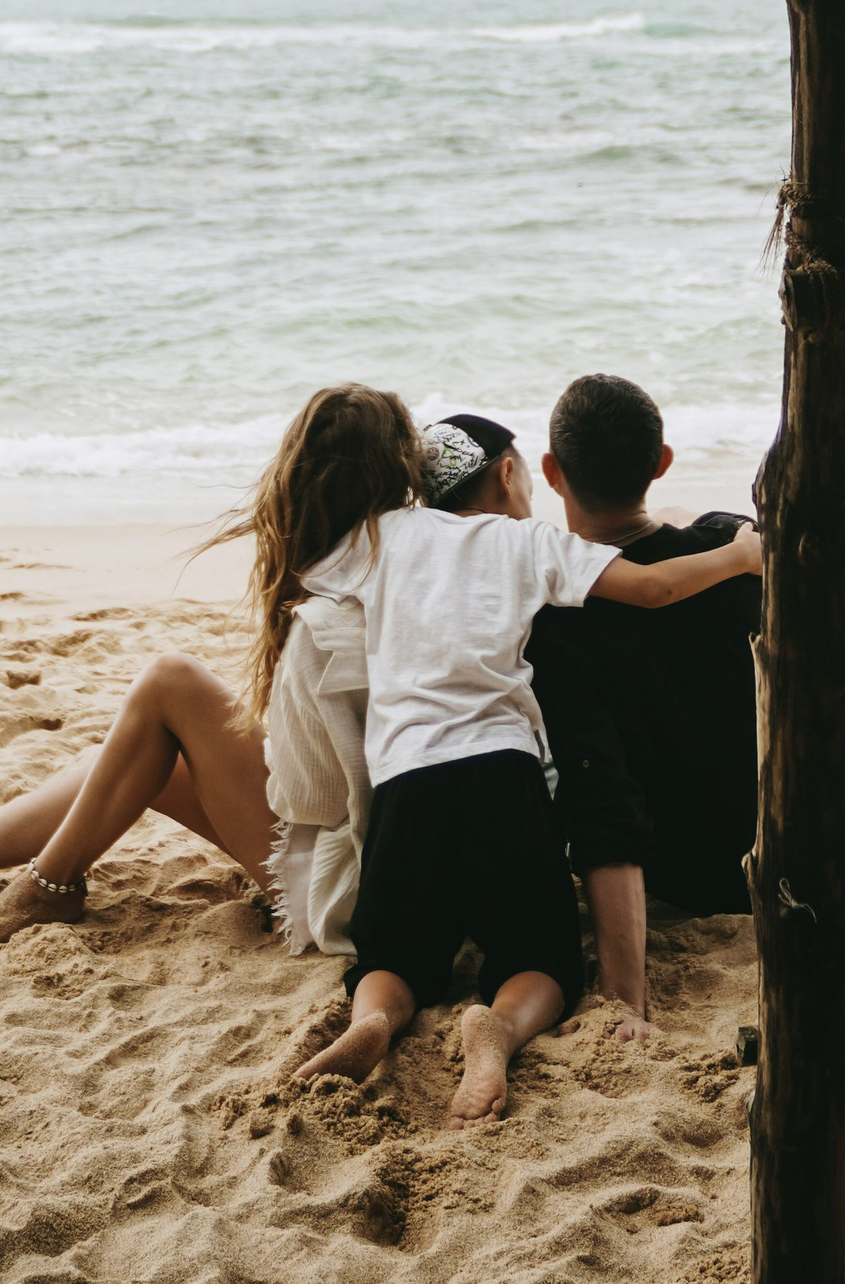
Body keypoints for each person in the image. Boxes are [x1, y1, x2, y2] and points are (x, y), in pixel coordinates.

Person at [284, 391, 762, 1119]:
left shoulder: (378, 537)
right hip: (501, 775)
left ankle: (374, 1021)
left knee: (389, 959)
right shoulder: (527, 546)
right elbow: (655, 587)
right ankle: (499, 1027)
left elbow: (310, 563)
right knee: (541, 962)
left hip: (408, 781)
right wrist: (738, 553)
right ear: (512, 475)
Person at [0, 406, 381, 960]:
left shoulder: (348, 599)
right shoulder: (382, 565)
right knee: (141, 754)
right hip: (354, 846)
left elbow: (320, 794)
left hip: (348, 888)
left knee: (171, 683)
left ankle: (49, 884)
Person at [524, 370, 762, 1036]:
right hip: (754, 849)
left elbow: (598, 783)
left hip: (674, 875)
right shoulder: (731, 552)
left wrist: (623, 997)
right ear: (662, 463)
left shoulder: (556, 615)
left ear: (550, 471)